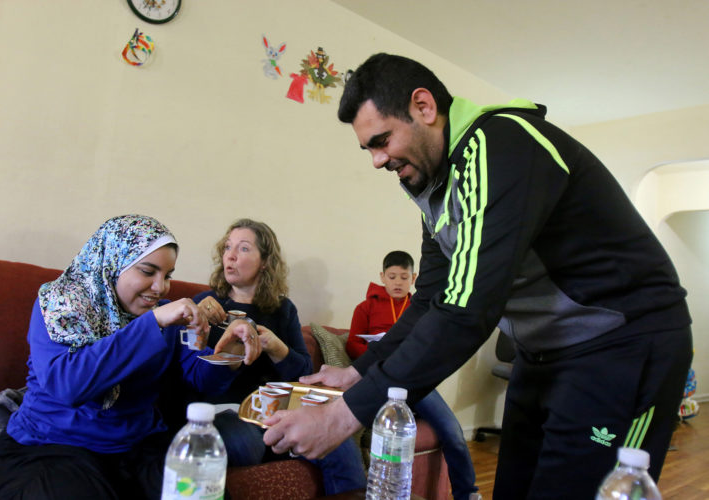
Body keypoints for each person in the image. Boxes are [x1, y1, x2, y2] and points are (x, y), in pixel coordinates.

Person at [263, 53, 693, 499]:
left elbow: (467, 309)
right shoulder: (433, 181)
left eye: (382, 140)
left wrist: (342, 417)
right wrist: (357, 373)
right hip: (543, 353)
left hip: (624, 344)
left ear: (424, 107)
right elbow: (432, 297)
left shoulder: (500, 144)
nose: (377, 160)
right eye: (368, 148)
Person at [0, 215, 261, 500]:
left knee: (201, 493)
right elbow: (69, 386)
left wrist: (231, 352)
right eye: (147, 271)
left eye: (167, 276)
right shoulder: (60, 305)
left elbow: (200, 377)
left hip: (138, 448)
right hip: (52, 446)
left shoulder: (163, 316)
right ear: (111, 263)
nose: (161, 287)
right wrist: (152, 323)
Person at [192, 218, 366, 495]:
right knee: (242, 442)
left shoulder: (282, 309)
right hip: (226, 412)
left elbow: (303, 374)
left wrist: (277, 347)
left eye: (244, 248)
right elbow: (190, 372)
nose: (231, 255)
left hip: (276, 411)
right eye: (227, 247)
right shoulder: (206, 304)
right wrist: (195, 319)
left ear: (264, 262)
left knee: (339, 441)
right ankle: (281, 446)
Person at [347, 250, 479, 499]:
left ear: (414, 278)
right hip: (380, 382)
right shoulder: (365, 308)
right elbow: (353, 346)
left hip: (415, 382)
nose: (398, 282)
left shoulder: (424, 308)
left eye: (404, 277)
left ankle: (468, 492)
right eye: (392, 276)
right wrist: (380, 350)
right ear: (382, 277)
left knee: (453, 432)